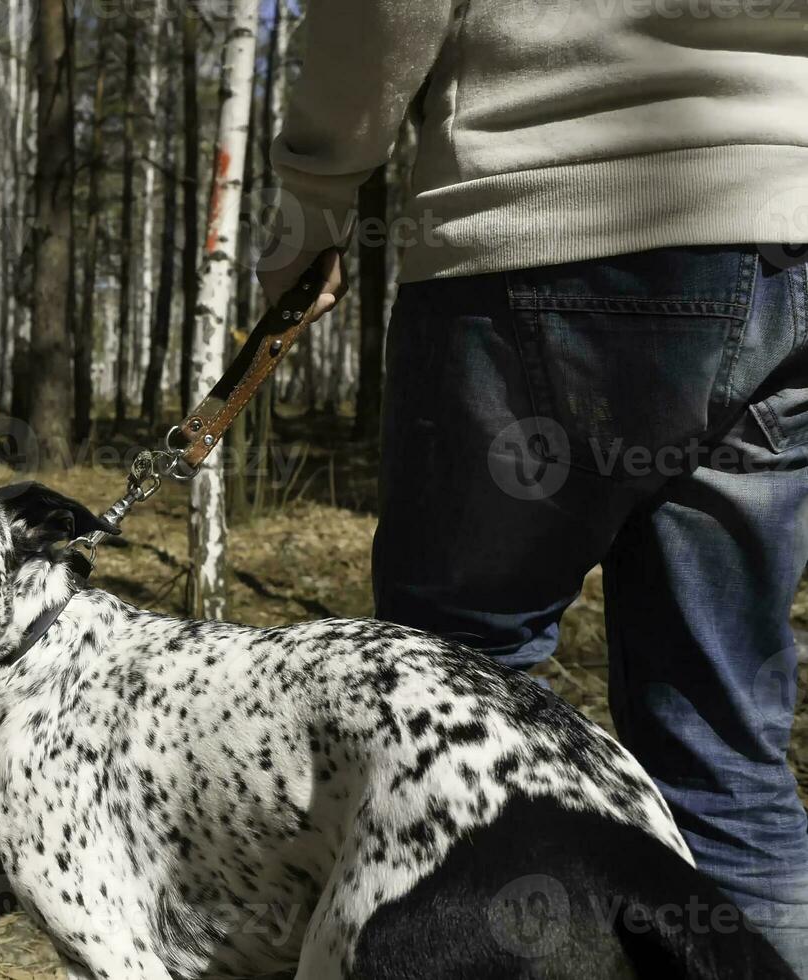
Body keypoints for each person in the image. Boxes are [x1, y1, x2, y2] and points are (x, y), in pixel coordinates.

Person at [257, 0, 808, 971]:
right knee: (725, 748)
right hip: (784, 235)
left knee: (455, 716)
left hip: (536, 221)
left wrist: (314, 188)